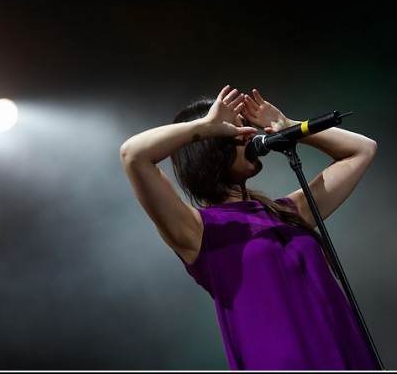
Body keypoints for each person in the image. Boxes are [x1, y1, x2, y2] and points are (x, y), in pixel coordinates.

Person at [119, 84, 379, 370]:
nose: (250, 135)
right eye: (236, 131)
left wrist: (288, 125)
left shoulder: (289, 213)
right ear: (212, 147)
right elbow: (133, 155)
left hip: (344, 356)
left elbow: (362, 150)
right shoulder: (197, 230)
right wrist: (207, 126)